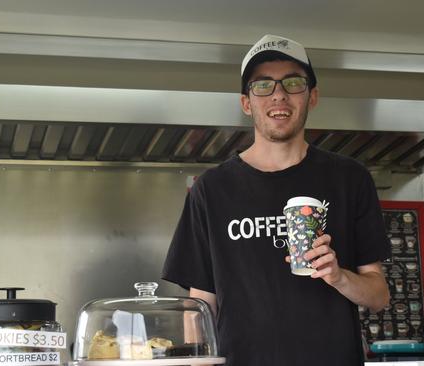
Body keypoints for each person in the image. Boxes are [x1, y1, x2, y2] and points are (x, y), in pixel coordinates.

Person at [162, 34, 391, 366]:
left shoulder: (350, 179)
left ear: (312, 97)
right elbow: (199, 305)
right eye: (263, 85)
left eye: (293, 83)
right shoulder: (211, 190)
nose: (279, 95)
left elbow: (379, 296)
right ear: (246, 102)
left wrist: (339, 276)